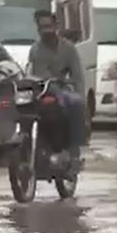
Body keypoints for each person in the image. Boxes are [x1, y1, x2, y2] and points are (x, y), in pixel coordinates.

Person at [27, 9, 86, 172]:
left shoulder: (69, 48)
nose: (47, 30)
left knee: (76, 103)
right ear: (38, 29)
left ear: (56, 26)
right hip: (41, 91)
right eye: (42, 27)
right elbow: (36, 74)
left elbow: (78, 76)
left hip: (63, 90)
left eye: (49, 26)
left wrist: (80, 96)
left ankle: (74, 153)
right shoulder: (35, 50)